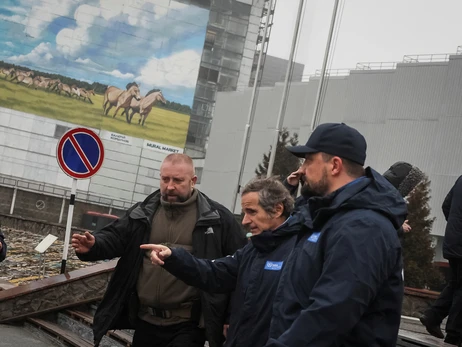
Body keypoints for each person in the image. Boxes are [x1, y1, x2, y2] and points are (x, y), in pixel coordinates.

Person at [71, 153, 246, 347]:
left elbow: (240, 269)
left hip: (188, 325)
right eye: (165, 179)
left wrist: (230, 316)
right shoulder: (144, 211)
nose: (170, 186)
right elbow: (115, 238)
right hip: (146, 321)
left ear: (193, 181)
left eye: (178, 180)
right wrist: (93, 246)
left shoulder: (217, 218)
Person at [266, 122, 407, 347]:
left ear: (335, 165)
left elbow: (331, 312)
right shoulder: (329, 218)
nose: (302, 170)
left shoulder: (363, 227)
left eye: (309, 160)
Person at [140, 177, 303, 347]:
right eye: (244, 212)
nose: (245, 221)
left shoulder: (300, 251)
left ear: (277, 210)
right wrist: (174, 258)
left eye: (252, 212)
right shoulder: (254, 249)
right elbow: (215, 273)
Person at [420, 175, 462, 345]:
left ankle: (432, 316)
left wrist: (454, 226)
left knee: (455, 284)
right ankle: (454, 334)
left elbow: (446, 205)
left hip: (453, 241)